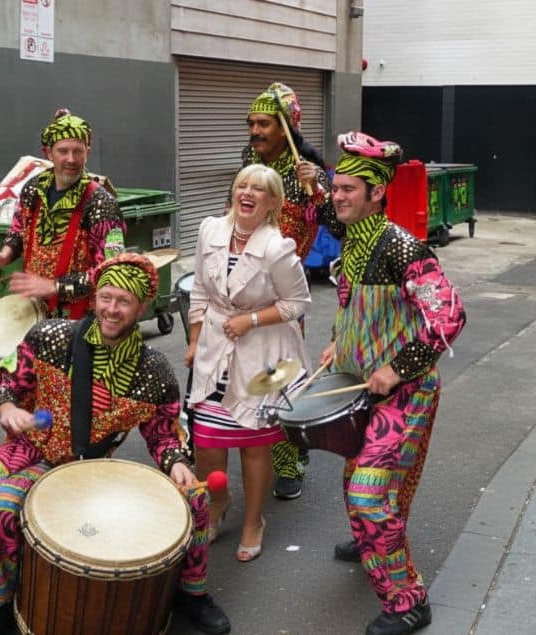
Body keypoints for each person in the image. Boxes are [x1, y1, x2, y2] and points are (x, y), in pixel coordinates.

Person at [0, 253, 231, 635]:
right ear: (93, 299)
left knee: (195, 499)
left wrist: (176, 462)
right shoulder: (51, 337)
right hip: (35, 453)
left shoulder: (152, 370)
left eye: (123, 301)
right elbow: (3, 381)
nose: (111, 309)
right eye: (105, 297)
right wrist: (6, 406)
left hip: (90, 467)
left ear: (141, 308)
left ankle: (192, 594)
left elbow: (163, 433)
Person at [319, 131, 466, 635]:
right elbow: (354, 304)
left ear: (377, 193)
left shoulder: (403, 247)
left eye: (347, 190)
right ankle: (370, 539)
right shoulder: (351, 241)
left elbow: (448, 316)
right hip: (361, 385)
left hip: (407, 391)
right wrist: (342, 341)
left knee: (368, 490)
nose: (336, 197)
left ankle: (408, 601)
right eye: (335, 188)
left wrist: (396, 369)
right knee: (358, 479)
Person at [185, 164, 312, 563]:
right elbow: (200, 288)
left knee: (254, 447)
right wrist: (193, 340)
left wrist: (251, 319)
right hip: (213, 349)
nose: (249, 192)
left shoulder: (278, 248)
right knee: (206, 443)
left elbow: (297, 304)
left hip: (262, 354)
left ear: (272, 202)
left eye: (259, 189)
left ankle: (253, 521)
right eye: (243, 185)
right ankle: (218, 503)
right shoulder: (210, 230)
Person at [242, 82, 335, 500]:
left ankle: (290, 458)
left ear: (285, 128)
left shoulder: (305, 173)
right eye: (252, 124)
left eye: (264, 123)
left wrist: (316, 189)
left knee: (281, 375)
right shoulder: (250, 163)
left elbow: (335, 223)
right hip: (244, 285)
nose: (255, 131)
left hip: (283, 292)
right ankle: (238, 439)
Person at [0, 108, 126, 319]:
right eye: (63, 151)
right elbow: (19, 229)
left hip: (83, 320)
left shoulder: (102, 203)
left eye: (78, 151)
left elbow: (111, 271)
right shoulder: (33, 190)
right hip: (34, 312)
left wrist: (55, 286)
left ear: (87, 153)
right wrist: (6, 254)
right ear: (48, 152)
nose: (71, 159)